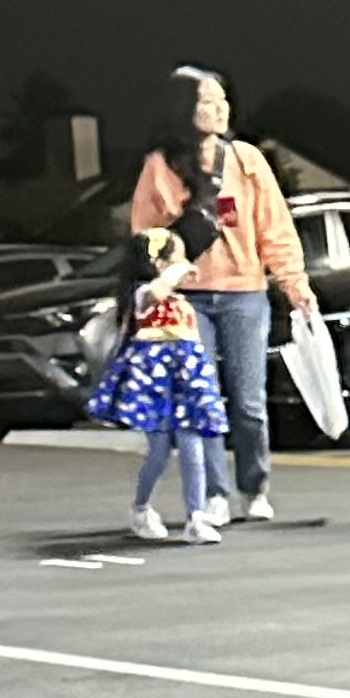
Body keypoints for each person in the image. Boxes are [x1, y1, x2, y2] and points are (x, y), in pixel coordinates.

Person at [128, 66, 314, 524]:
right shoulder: (161, 167)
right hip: (188, 299)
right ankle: (214, 493)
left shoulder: (246, 160)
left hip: (245, 294)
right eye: (206, 101)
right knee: (203, 398)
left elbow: (275, 228)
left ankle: (254, 487)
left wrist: (295, 283)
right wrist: (158, 279)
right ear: (184, 110)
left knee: (249, 402)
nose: (218, 109)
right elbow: (143, 236)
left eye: (221, 99)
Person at [87, 207, 229, 543]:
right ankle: (141, 507)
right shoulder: (143, 295)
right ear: (158, 263)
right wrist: (174, 272)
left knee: (193, 445)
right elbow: (155, 293)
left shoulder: (182, 303)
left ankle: (196, 517)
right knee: (160, 451)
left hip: (186, 379)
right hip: (155, 382)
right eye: (176, 257)